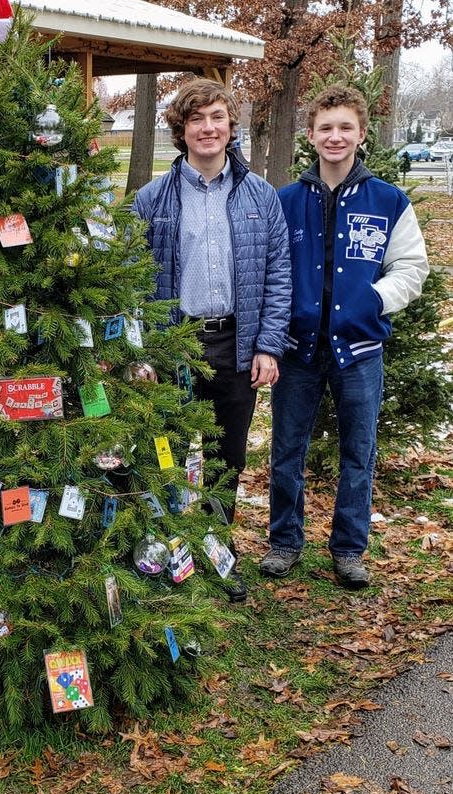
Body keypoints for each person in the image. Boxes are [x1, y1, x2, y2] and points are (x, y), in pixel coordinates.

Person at [261, 85, 429, 589]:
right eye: (326, 128)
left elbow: (411, 267)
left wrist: (372, 300)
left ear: (361, 134)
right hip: (298, 349)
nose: (335, 137)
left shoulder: (387, 201)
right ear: (311, 135)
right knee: (287, 449)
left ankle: (349, 548)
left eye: (346, 127)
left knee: (360, 451)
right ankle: (285, 541)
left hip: (359, 350)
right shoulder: (285, 201)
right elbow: (270, 269)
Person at [132, 79, 291, 603]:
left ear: (230, 126)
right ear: (181, 130)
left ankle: (219, 551)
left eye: (217, 117)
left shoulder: (259, 196)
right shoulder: (153, 198)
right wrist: (145, 352)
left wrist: (268, 346)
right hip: (174, 347)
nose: (208, 128)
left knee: (227, 456)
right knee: (170, 456)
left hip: (235, 344)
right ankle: (176, 559)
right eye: (196, 120)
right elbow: (132, 278)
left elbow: (277, 275)